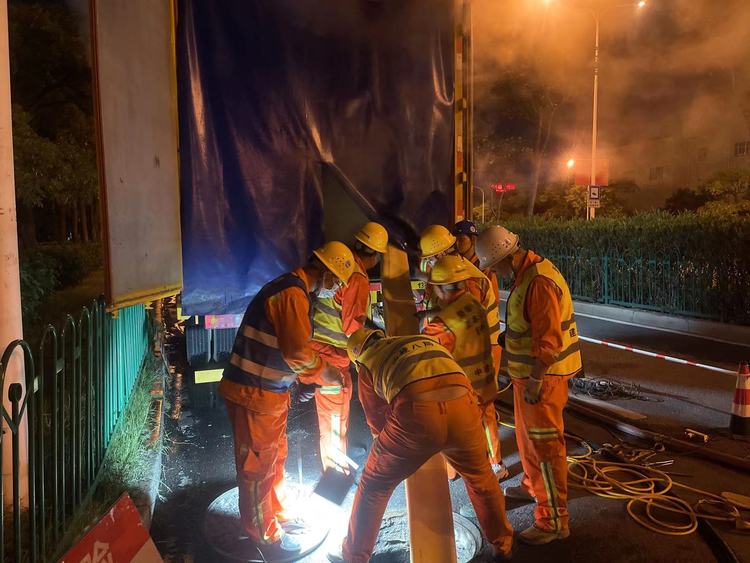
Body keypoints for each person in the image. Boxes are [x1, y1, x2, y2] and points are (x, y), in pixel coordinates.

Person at [218, 241, 355, 556]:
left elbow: (286, 349)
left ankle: (277, 514)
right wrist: (325, 373)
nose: (333, 289)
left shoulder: (293, 291)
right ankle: (265, 538)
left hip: (268, 394)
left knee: (274, 459)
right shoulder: (292, 294)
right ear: (324, 272)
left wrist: (304, 380)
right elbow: (296, 353)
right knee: (257, 468)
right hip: (255, 394)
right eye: (335, 281)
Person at [335, 328, 514, 563]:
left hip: (417, 411)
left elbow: (377, 420)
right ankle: (503, 546)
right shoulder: (418, 340)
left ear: (357, 358)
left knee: (374, 485)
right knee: (481, 478)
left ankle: (354, 556)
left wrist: (393, 452)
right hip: (464, 404)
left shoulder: (368, 362)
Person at [476, 225, 583, 546]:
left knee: (545, 449)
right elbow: (530, 326)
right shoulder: (528, 275)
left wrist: (536, 379)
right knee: (527, 442)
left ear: (505, 258)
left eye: (494, 267)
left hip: (544, 382)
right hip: (531, 380)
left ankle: (552, 520)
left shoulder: (538, 282)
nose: (495, 272)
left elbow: (549, 342)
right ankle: (533, 486)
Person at [309, 222, 389, 469]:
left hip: (323, 352)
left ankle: (336, 466)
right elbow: (353, 327)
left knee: (334, 419)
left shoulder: (342, 263)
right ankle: (334, 476)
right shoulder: (356, 276)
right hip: (332, 360)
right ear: (374, 255)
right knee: (333, 421)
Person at [423, 254, 508, 481]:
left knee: (456, 433)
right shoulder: (473, 303)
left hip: (463, 391)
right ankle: (495, 464)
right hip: (485, 381)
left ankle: (454, 472)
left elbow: (425, 352)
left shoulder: (443, 325)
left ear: (440, 288)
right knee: (487, 421)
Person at [453, 220, 503, 371]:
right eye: (455, 239)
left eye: (461, 239)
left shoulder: (484, 270)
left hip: (484, 344)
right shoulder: (459, 267)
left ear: (473, 240)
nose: (457, 244)